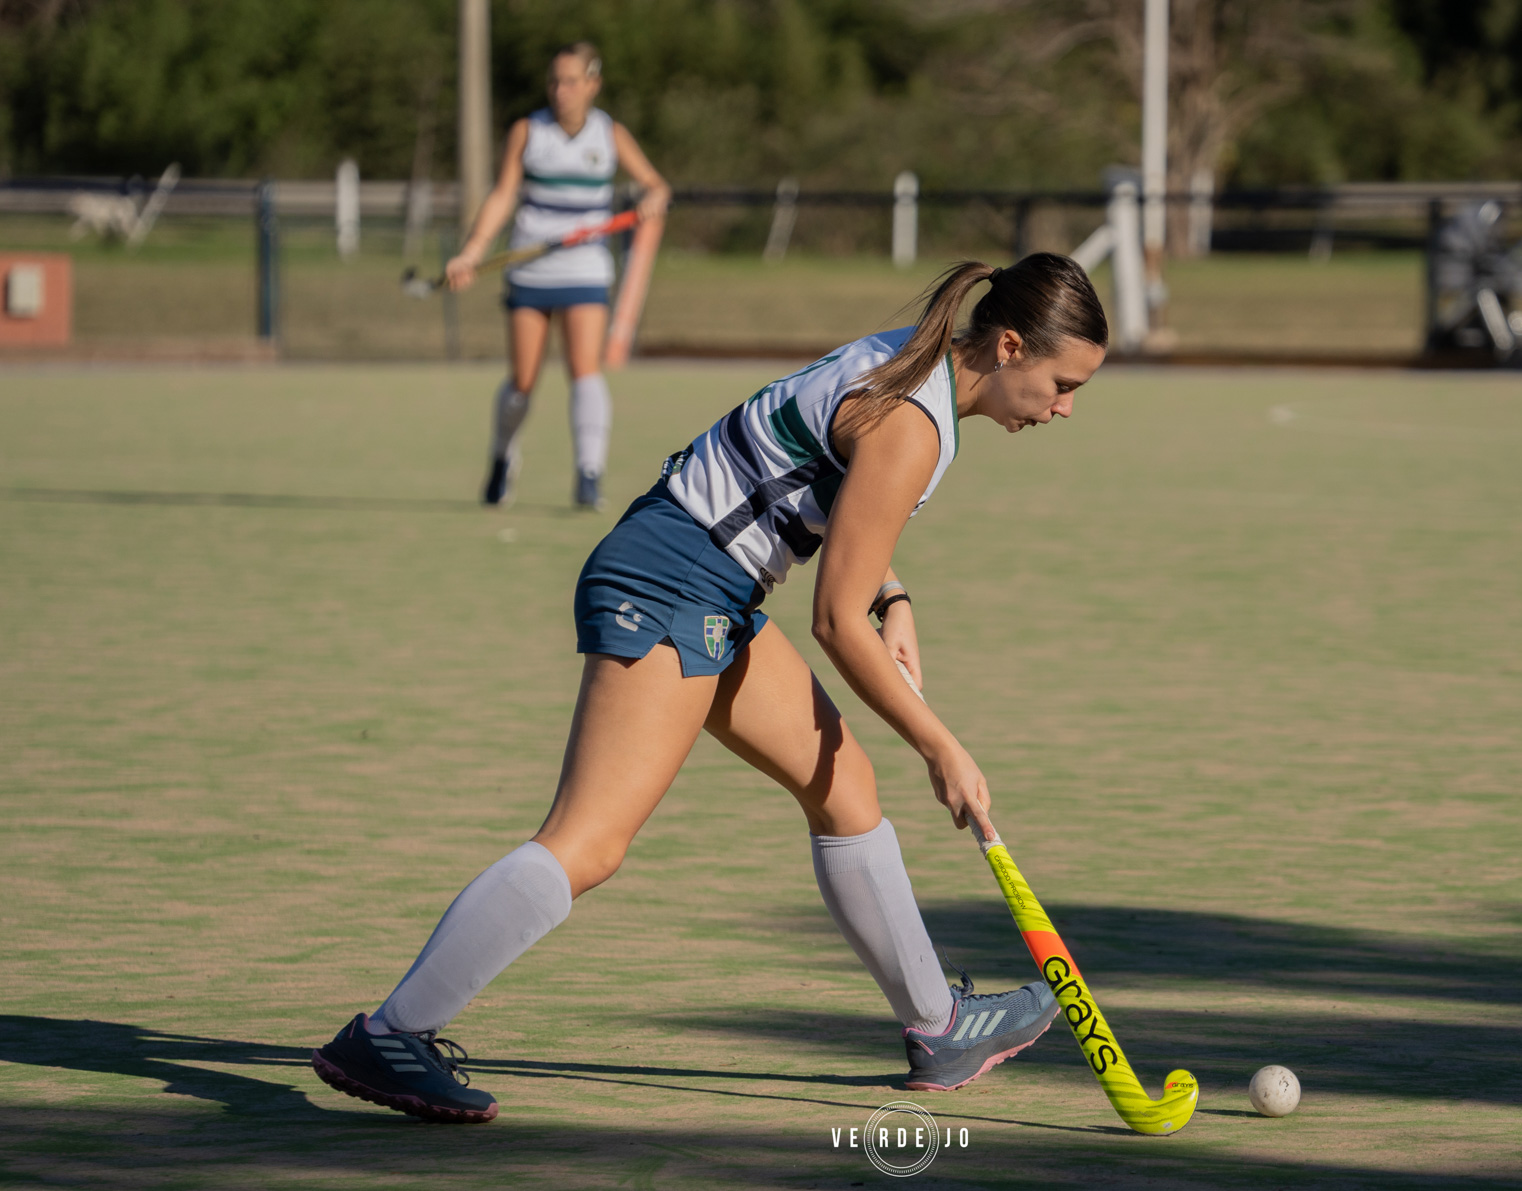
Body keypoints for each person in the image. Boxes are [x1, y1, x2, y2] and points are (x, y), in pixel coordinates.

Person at [312, 254, 1111, 1123]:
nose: (1065, 408)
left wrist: (895, 596)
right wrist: (940, 744)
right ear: (1008, 346)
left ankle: (939, 1028)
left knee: (843, 786)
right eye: (1063, 384)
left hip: (709, 582)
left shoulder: (912, 358)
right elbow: (834, 621)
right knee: (589, 839)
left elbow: (820, 487)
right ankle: (391, 1031)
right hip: (673, 581)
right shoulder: (914, 424)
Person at [446, 41, 671, 510]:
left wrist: (652, 198)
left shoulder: (610, 134)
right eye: (554, 81)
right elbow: (503, 195)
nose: (560, 90)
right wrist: (472, 252)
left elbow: (656, 186)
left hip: (585, 268)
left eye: (571, 81)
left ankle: (589, 473)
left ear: (592, 84)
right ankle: (502, 457)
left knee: (585, 370)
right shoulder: (528, 131)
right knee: (522, 383)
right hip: (531, 269)